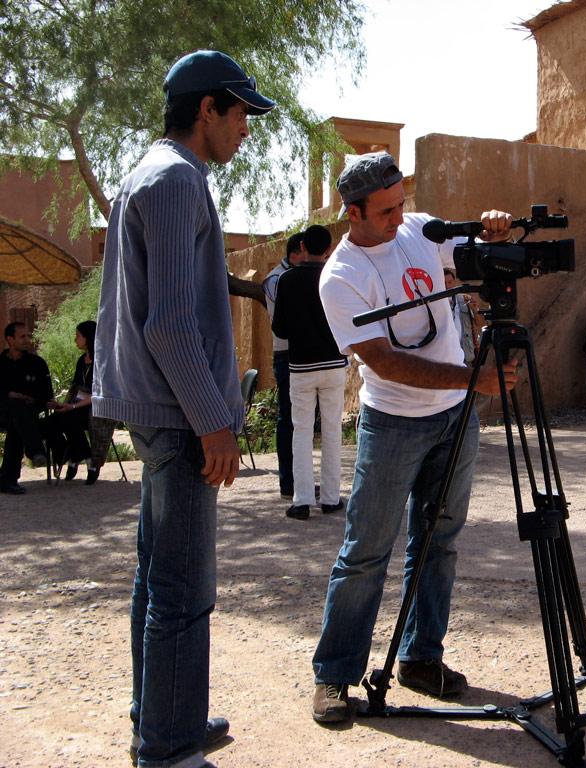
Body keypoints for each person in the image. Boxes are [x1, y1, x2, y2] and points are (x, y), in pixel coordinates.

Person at [92, 50, 275, 768]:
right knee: (182, 587)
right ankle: (167, 746)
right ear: (207, 110)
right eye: (240, 114)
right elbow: (168, 324)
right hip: (179, 419)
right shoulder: (174, 181)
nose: (246, 130)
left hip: (162, 413)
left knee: (157, 577)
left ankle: (165, 715)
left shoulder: (155, 175)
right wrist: (214, 422)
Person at [311, 151, 517, 724]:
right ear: (352, 212)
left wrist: (494, 226)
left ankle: (421, 658)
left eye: (402, 203)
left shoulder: (418, 228)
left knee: (439, 540)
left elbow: (474, 251)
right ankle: (334, 674)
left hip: (455, 416)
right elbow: (383, 361)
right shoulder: (342, 276)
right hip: (395, 422)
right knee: (366, 549)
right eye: (385, 211)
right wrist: (476, 379)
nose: (398, 218)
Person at [271, 224, 348, 520]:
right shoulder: (335, 276)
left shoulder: (287, 280)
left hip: (301, 365)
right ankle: (330, 498)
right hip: (333, 364)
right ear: (327, 249)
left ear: (302, 246)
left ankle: (301, 500)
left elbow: (280, 328)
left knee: (300, 431)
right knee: (331, 430)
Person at [263, 232, 305, 497]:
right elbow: (287, 316)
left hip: (302, 353)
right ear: (298, 251)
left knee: (301, 420)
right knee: (288, 419)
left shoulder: (290, 277)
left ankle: (300, 481)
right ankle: (288, 482)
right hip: (287, 353)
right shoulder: (276, 279)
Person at [0, 321, 52, 494]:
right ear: (10, 339)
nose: (27, 340)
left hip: (29, 411)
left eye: (28, 336)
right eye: (22, 336)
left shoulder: (37, 364)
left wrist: (30, 398)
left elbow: (46, 394)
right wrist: (10, 394)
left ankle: (7, 480)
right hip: (2, 412)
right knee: (16, 409)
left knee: (18, 420)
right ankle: (35, 450)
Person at [43, 320, 98, 482]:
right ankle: (77, 454)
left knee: (68, 417)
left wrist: (72, 406)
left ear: (88, 337)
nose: (76, 340)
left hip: (93, 407)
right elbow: (76, 387)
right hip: (77, 404)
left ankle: (81, 458)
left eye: (78, 336)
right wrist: (63, 404)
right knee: (50, 422)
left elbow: (99, 393)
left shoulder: (102, 360)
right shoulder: (82, 361)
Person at [443, 266, 479, 365]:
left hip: (465, 352)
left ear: (454, 282)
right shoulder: (436, 304)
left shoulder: (465, 299)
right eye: (444, 283)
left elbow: (479, 323)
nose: (447, 286)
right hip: (446, 356)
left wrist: (474, 310)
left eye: (449, 282)